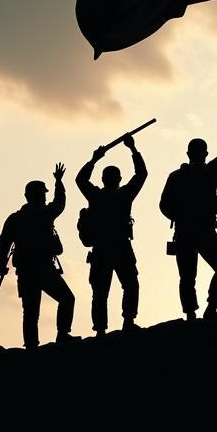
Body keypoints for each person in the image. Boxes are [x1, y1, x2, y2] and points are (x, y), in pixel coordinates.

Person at [160, 120, 217, 321]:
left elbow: (164, 205)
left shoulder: (177, 176)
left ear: (188, 154)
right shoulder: (209, 172)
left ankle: (191, 313)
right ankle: (210, 307)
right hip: (203, 230)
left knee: (187, 277)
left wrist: (178, 216)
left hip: (186, 231)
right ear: (205, 154)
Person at [0, 164, 77, 349]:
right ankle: (62, 335)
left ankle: (31, 346)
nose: (44, 196)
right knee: (66, 299)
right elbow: (60, 203)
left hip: (26, 271)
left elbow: (3, 243)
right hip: (43, 268)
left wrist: (1, 264)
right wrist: (58, 182)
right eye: (42, 193)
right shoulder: (45, 213)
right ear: (36, 195)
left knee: (30, 312)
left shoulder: (15, 218)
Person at [75, 134, 147, 336]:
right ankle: (127, 321)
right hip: (120, 247)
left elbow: (80, 179)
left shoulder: (95, 196)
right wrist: (133, 149)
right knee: (130, 284)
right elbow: (141, 174)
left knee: (100, 291)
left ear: (103, 179)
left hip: (102, 249)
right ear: (119, 179)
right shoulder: (125, 195)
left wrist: (95, 159)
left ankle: (100, 329)